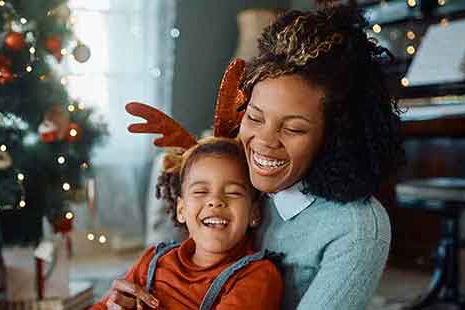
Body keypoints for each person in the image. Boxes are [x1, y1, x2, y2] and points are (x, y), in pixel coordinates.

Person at [112, 7, 402, 310]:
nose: (264, 141)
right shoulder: (238, 178)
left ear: (336, 135)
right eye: (254, 117)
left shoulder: (358, 230)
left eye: (293, 128)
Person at [93, 138, 282, 310]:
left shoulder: (259, 276)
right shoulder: (153, 260)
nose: (215, 201)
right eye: (200, 192)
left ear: (254, 213)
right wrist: (113, 305)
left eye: (233, 192)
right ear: (181, 210)